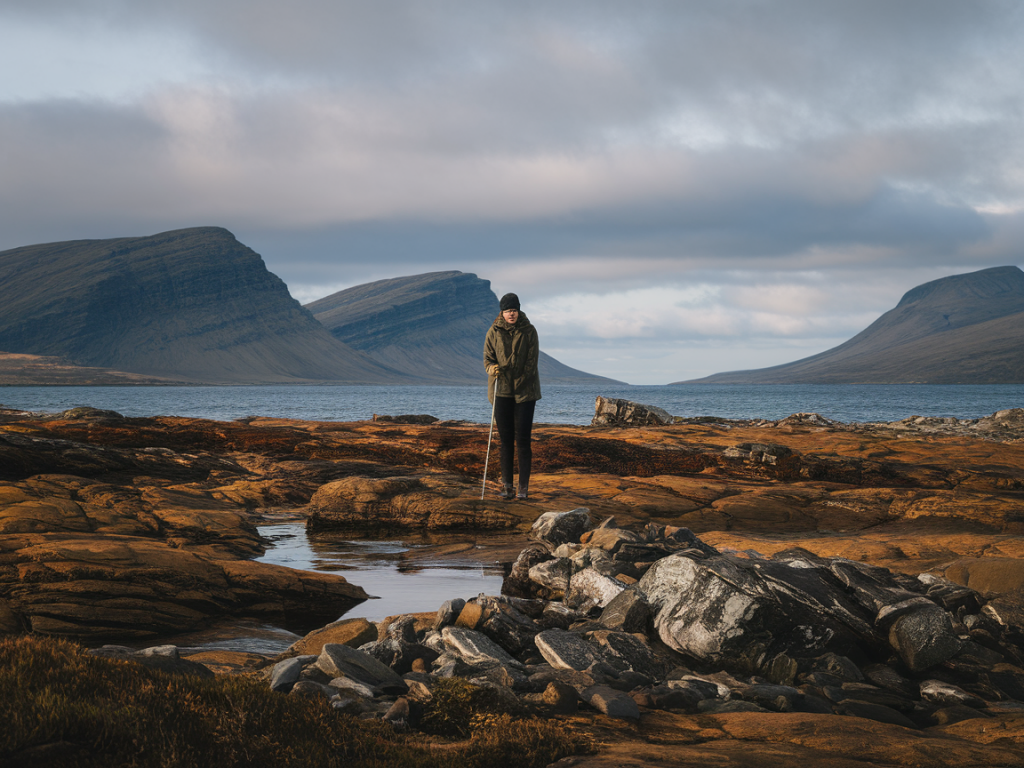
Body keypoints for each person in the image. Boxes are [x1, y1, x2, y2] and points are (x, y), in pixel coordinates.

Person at [483, 292, 541, 500]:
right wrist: (491, 369)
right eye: (508, 311)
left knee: (523, 440)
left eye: (514, 310)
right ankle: (507, 486)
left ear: (518, 311)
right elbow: (488, 358)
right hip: (501, 391)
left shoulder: (529, 331)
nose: (511, 314)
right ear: (502, 312)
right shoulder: (493, 331)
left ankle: (523, 488)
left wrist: (520, 380)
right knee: (506, 440)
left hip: (525, 392)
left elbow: (531, 361)